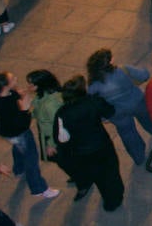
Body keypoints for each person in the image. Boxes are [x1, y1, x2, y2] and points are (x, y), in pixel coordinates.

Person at [0, 72, 60, 201]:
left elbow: (15, 96)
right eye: (13, 79)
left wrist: (23, 93)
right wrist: (25, 109)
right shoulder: (4, 105)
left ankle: (18, 169)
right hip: (18, 133)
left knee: (18, 148)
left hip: (7, 133)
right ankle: (38, 188)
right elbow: (22, 124)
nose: (16, 79)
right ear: (5, 86)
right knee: (32, 160)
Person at [53, 75, 124, 210]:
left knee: (98, 177)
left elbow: (62, 139)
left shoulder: (62, 113)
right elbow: (110, 111)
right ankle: (115, 197)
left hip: (83, 152)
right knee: (111, 171)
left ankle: (108, 200)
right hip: (102, 145)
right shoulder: (93, 102)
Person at [85, 47, 152, 168]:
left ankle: (138, 157)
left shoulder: (94, 85)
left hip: (116, 113)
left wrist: (103, 117)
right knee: (146, 117)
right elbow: (144, 75)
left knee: (128, 134)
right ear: (109, 62)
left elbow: (94, 104)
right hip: (137, 102)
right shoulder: (123, 70)